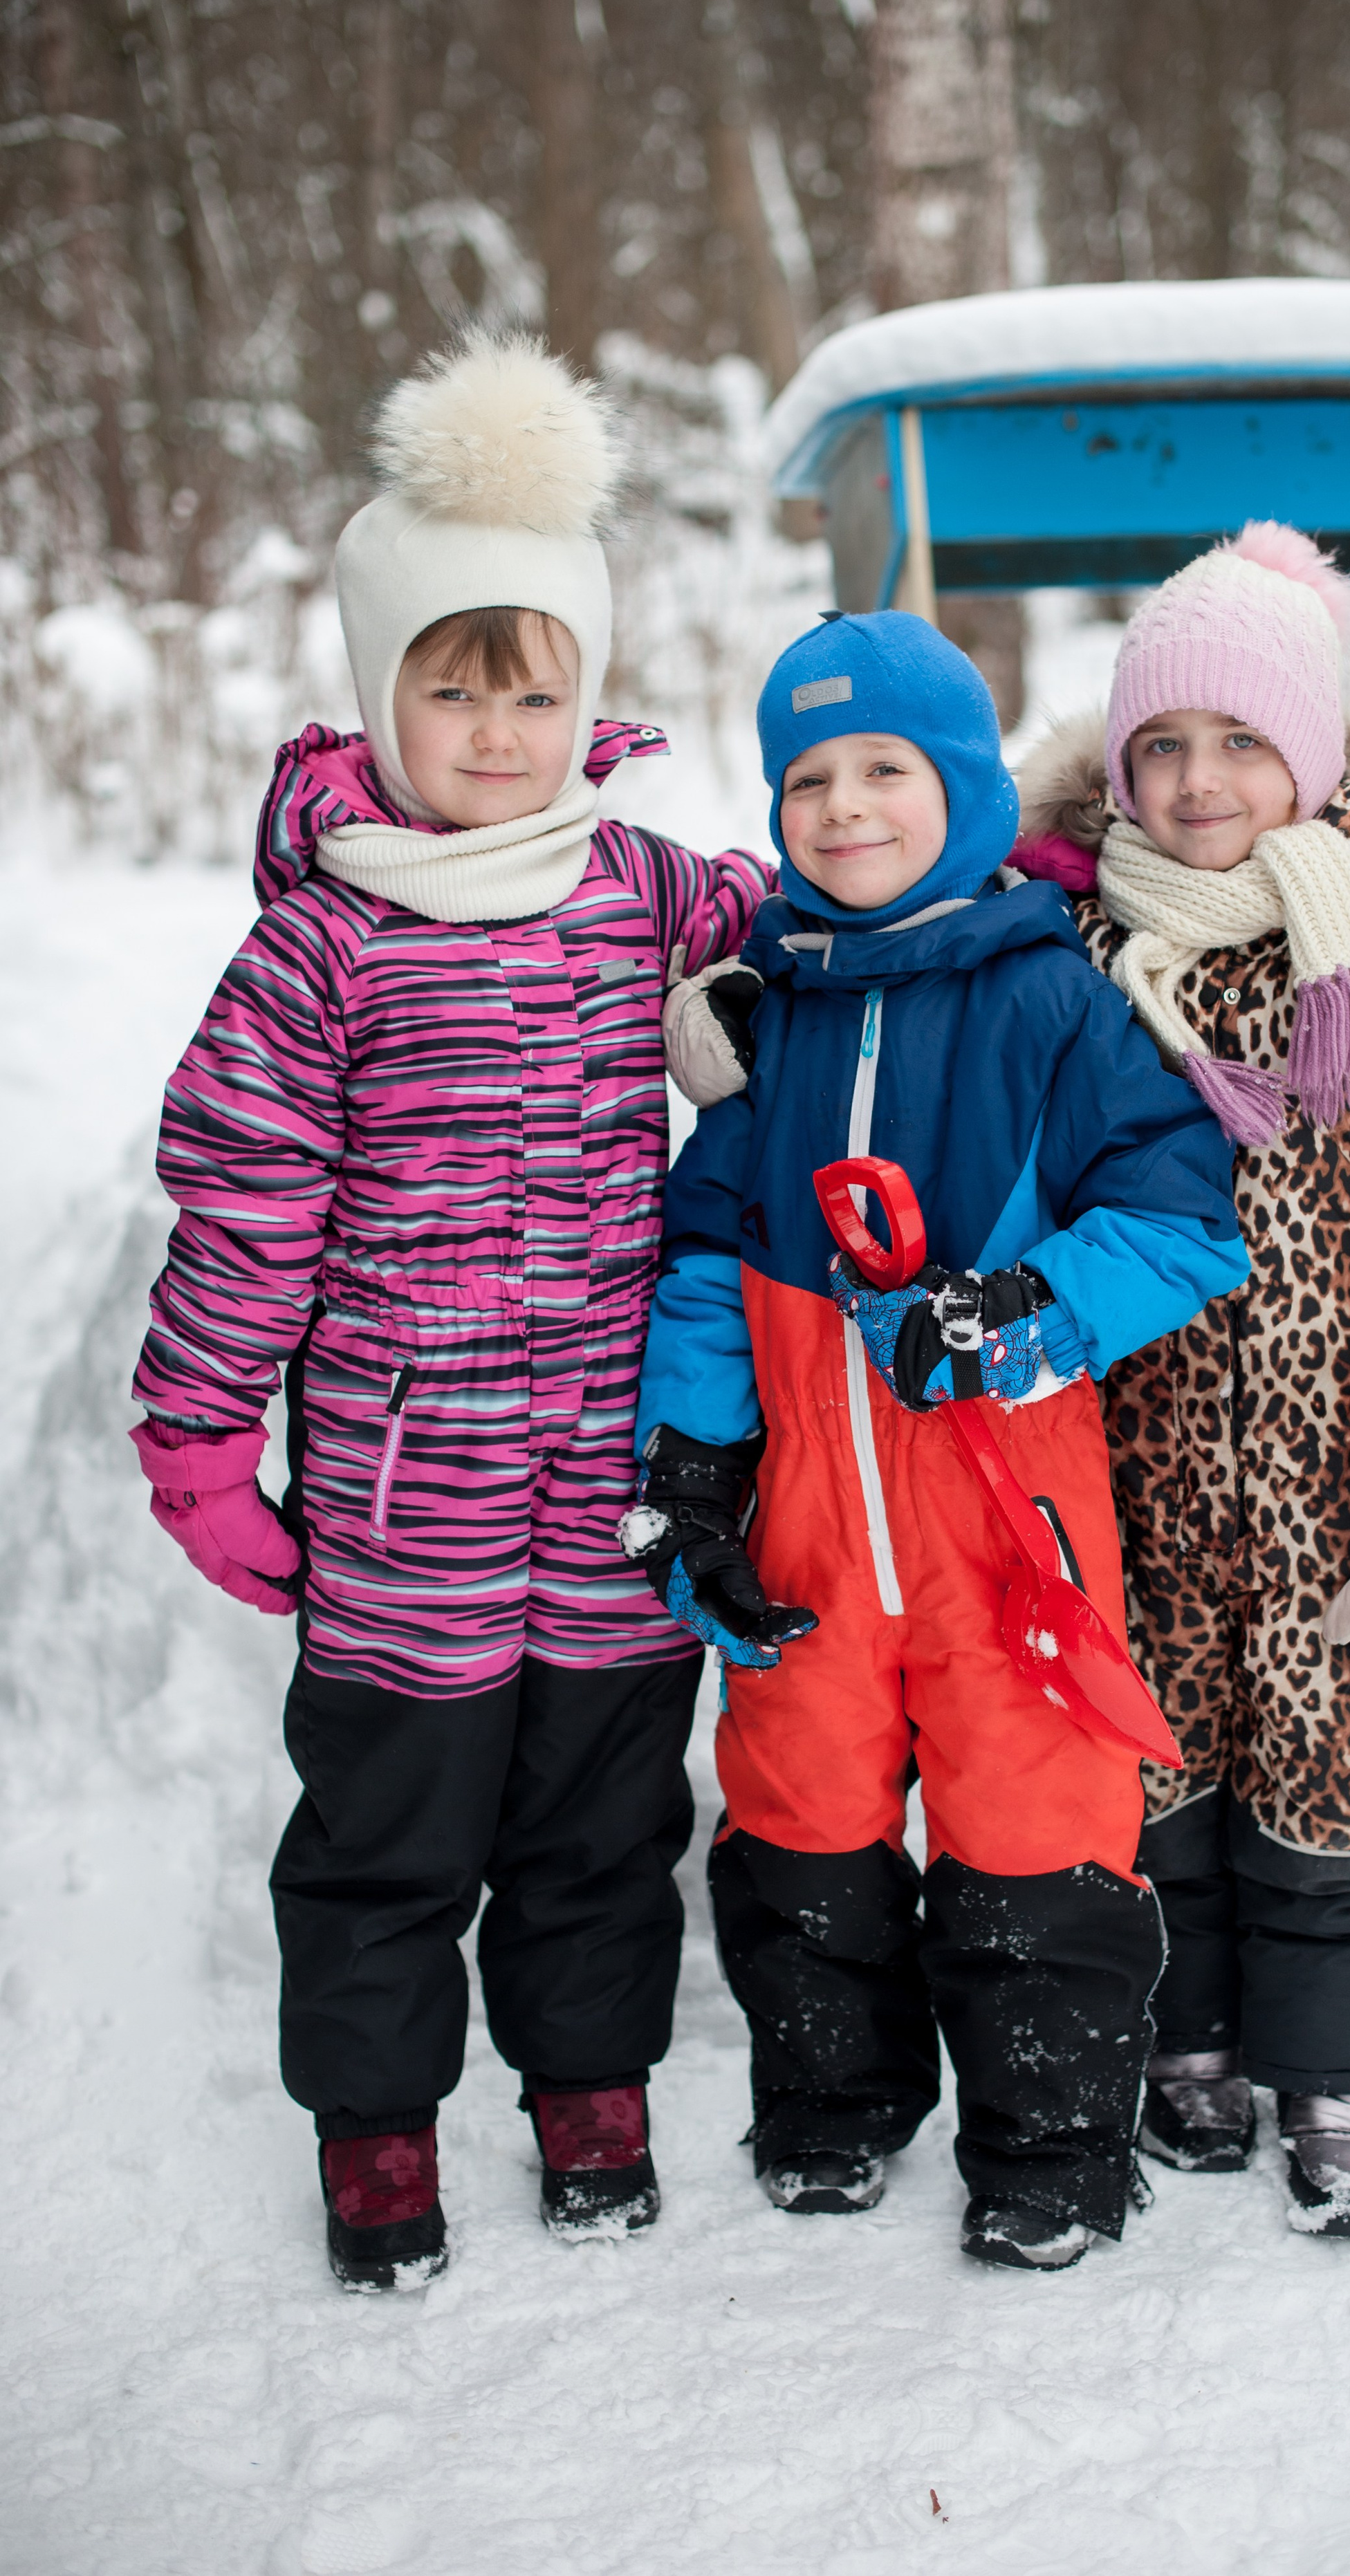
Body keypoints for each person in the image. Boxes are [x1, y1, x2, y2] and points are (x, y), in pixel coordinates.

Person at [129, 333, 770, 2290]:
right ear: (381, 692)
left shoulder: (645, 890)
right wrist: (198, 1437)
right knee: (389, 1835)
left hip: (605, 1475)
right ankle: (379, 2133)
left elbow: (835, 927)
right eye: (454, 683)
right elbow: (244, 1204)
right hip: (407, 1494)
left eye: (537, 686)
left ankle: (590, 2088)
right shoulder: (322, 939)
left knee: (599, 1816)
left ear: (589, 698)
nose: (498, 730)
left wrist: (1017, 881)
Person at [625, 610, 1248, 2271]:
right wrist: (690, 1470)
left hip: (1003, 1520)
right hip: (813, 1524)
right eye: (808, 778)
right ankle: (835, 2103)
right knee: (798, 1819)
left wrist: (1016, 1309)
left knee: (1034, 1826)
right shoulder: (768, 1016)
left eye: (884, 769)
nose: (841, 807)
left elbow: (1185, 1224)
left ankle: (1048, 2146)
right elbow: (704, 1263)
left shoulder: (1053, 1002)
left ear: (961, 787)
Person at [1009, 522, 1350, 2236]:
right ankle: (1194, 2044)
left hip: (1338, 1492)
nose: (1197, 777)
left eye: (1239, 741)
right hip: (1135, 1484)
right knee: (1149, 1782)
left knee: (1336, 1794)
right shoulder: (1077, 962)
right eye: (1160, 744)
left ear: (1305, 761)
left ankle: (1336, 2078)